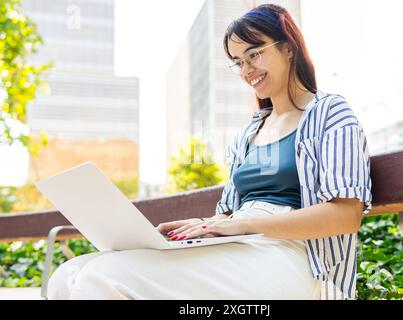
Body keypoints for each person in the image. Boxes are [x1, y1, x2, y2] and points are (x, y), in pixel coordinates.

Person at [47, 4, 372, 300]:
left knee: (102, 278)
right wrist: (202, 225)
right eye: (238, 63)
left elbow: (345, 215)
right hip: (243, 245)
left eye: (254, 54)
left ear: (288, 47)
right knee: (67, 274)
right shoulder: (250, 132)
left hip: (297, 258)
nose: (247, 70)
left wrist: (246, 225)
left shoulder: (329, 113)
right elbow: (230, 216)